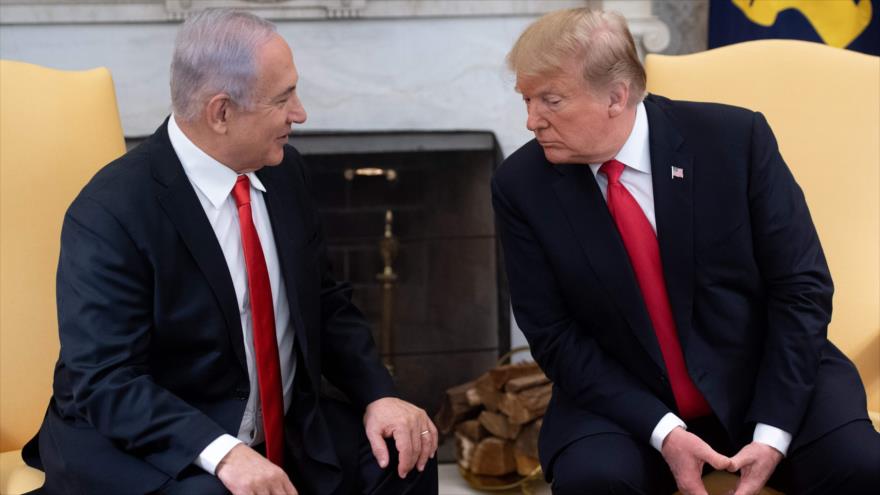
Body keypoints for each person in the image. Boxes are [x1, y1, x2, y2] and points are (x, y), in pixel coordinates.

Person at [22, 9, 438, 495]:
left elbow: (326, 302)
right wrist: (224, 453)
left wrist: (379, 394)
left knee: (409, 455)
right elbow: (107, 381)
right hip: (154, 443)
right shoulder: (111, 212)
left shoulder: (285, 171)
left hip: (284, 427)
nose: (300, 113)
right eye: (283, 98)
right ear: (221, 112)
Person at [492, 8, 879, 495]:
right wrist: (665, 431)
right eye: (526, 99)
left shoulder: (735, 141)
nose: (531, 121)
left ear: (617, 95)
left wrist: (774, 431)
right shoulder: (521, 185)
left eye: (551, 101)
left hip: (766, 378)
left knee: (863, 470)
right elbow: (553, 335)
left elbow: (801, 287)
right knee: (593, 484)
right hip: (627, 401)